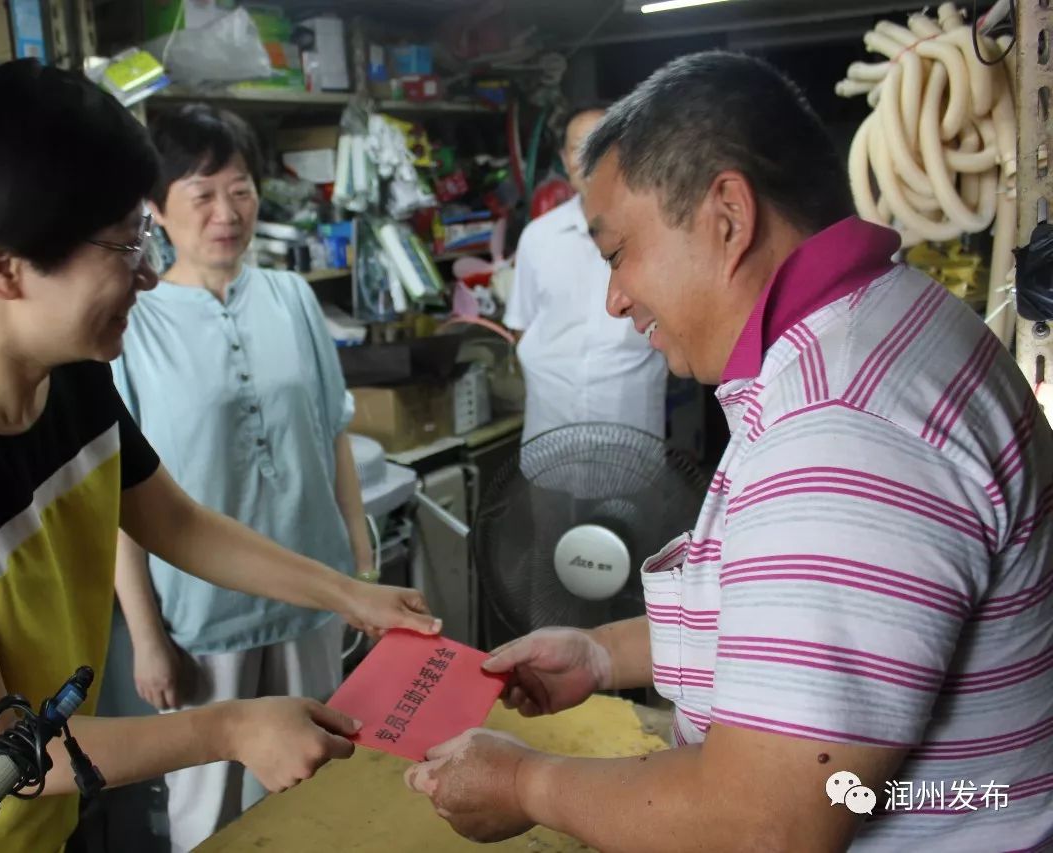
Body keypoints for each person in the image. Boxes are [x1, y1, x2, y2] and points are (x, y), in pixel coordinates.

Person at [406, 50, 1053, 852]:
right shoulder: (878, 323)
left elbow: (762, 822)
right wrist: (601, 654)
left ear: (728, 217)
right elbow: (798, 620)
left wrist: (523, 782)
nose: (613, 298)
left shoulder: (836, 430)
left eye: (617, 253)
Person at [0, 59, 438, 853]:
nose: (150, 270)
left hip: (47, 820)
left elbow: (173, 518)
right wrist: (230, 726)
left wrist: (347, 592)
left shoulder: (68, 378)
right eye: (125, 242)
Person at [107, 104, 373, 850]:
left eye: (242, 189)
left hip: (314, 589)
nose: (228, 213)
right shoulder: (135, 321)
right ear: (155, 208)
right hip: (202, 614)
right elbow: (121, 502)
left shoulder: (291, 298)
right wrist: (147, 635)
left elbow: (335, 432)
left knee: (321, 778)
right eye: (202, 194)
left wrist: (358, 560)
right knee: (210, 804)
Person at [504, 105, 667, 443]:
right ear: (564, 160)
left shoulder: (658, 233)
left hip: (629, 433)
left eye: (601, 144)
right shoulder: (538, 237)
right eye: (579, 148)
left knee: (632, 496)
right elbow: (521, 327)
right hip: (551, 432)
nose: (589, 158)